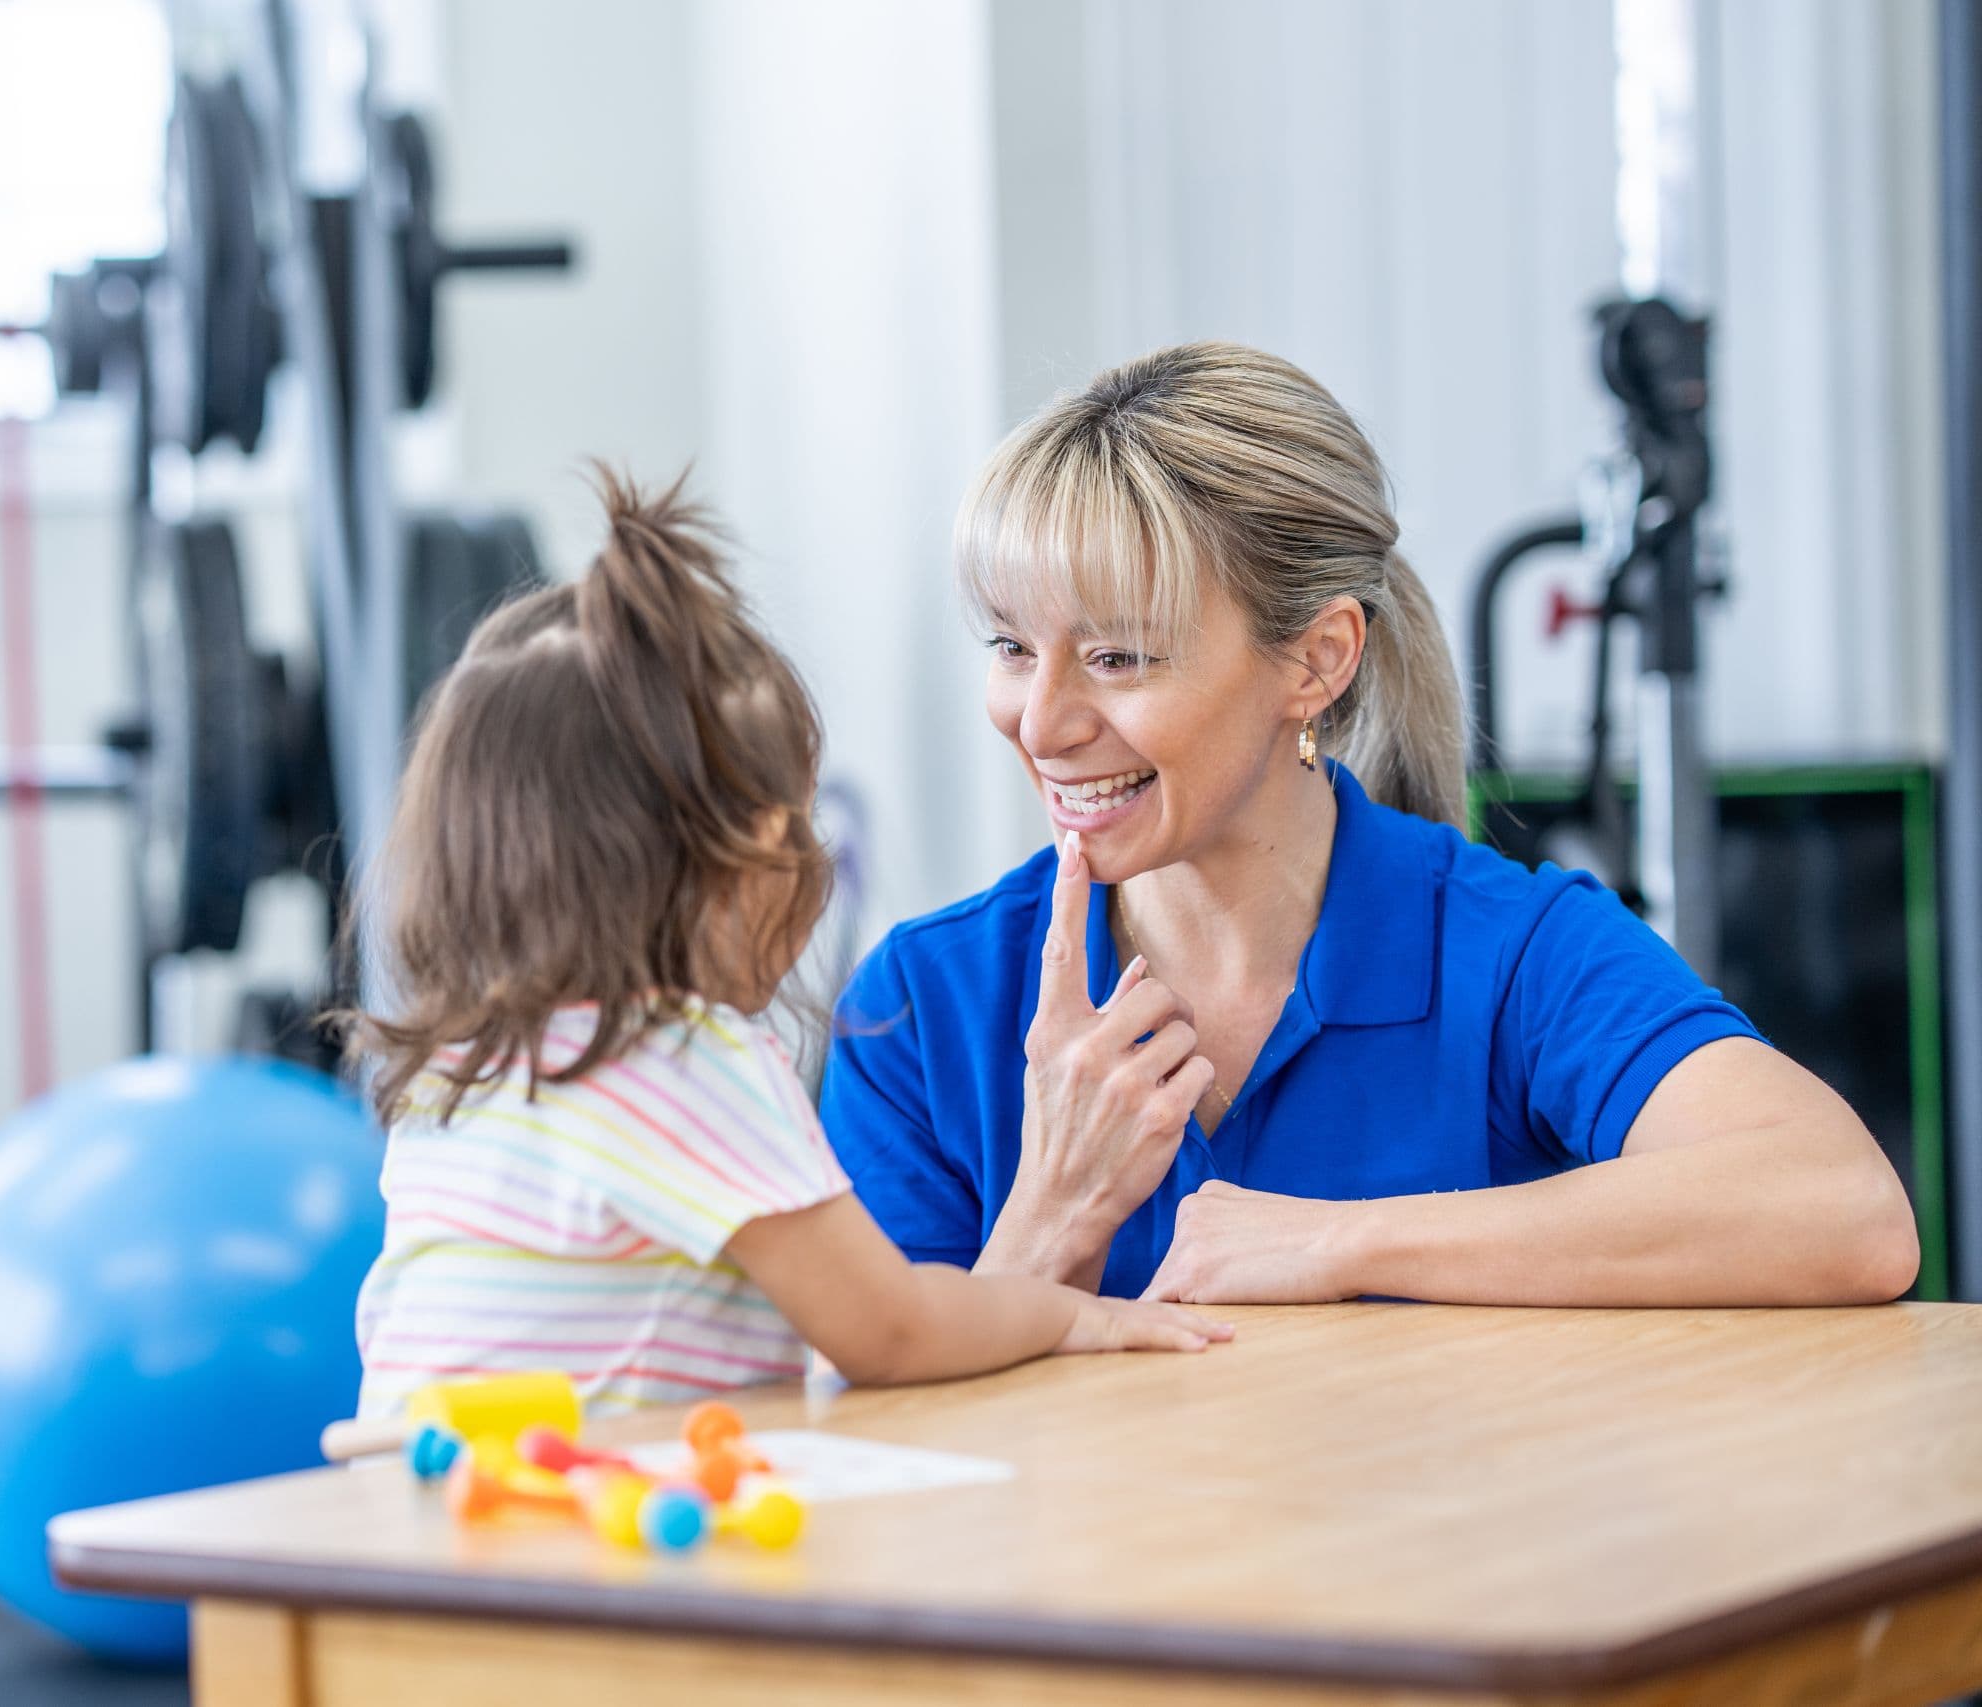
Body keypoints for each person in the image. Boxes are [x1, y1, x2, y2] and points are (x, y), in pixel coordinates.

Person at [822, 342, 1922, 1307]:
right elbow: (875, 1443)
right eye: (1012, 649)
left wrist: (1337, 1244)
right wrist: (1051, 1218)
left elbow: (1843, 1209)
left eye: (1117, 657)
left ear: (1317, 660)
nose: (1040, 722)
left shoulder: (1507, 952)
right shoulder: (922, 1004)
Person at [346, 468, 1229, 1420]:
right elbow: (888, 1332)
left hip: (414, 1489)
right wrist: (1066, 1316)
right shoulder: (685, 1062)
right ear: (764, 855)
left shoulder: (460, 1067)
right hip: (587, 1503)